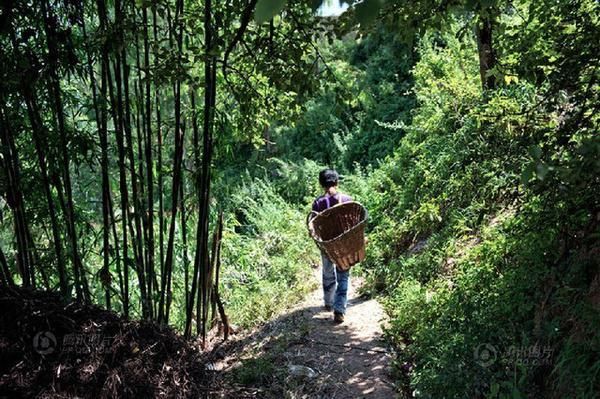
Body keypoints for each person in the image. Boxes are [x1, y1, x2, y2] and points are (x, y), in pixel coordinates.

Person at [311, 169, 352, 324]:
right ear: (337, 182)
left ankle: (329, 302)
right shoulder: (347, 199)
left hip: (327, 245)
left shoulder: (318, 203)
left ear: (321, 184)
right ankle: (339, 309)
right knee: (343, 276)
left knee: (328, 273)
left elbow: (314, 226)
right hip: (344, 245)